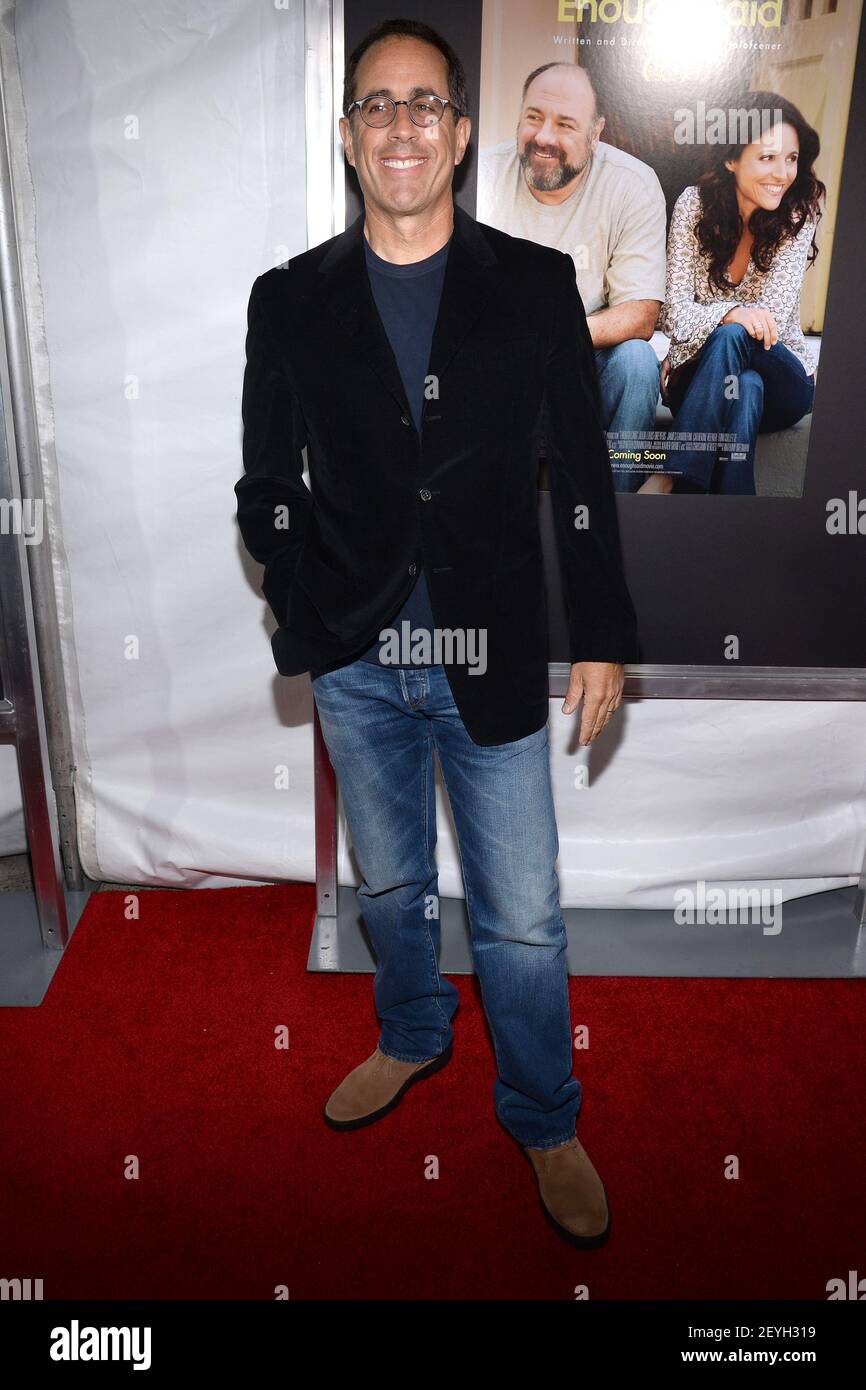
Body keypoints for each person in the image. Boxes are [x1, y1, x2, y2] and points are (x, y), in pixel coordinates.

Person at [235, 18, 641, 1249]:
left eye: (423, 105)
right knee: (394, 883)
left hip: (489, 652)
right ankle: (410, 1034)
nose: (399, 125)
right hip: (358, 661)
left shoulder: (529, 286)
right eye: (375, 106)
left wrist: (604, 637)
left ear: (460, 136)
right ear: (349, 136)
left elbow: (578, 473)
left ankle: (542, 1112)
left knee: (519, 913)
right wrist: (305, 607)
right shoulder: (289, 298)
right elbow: (265, 487)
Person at [478, 61, 666, 493]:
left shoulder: (631, 184)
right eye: (534, 117)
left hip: (585, 354)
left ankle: (617, 516)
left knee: (638, 362)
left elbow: (640, 314)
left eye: (565, 124)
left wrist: (551, 333)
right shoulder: (481, 178)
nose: (544, 137)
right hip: (501, 361)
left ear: (595, 133)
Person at [653, 93, 824, 495]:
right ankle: (738, 516)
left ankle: (669, 476)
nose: (783, 173)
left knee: (738, 336)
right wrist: (731, 313)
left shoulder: (798, 214)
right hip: (698, 382)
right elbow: (672, 314)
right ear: (732, 159)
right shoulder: (693, 205)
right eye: (767, 158)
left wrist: (721, 317)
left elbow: (770, 324)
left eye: (792, 158)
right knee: (746, 386)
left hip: (784, 379)